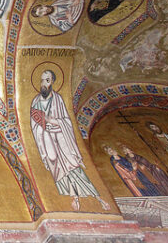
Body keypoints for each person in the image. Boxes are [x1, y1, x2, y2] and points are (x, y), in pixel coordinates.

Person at [30, 70, 109, 211]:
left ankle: (97, 198)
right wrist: (43, 125)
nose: (43, 84)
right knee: (56, 166)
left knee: (72, 165)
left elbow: (66, 120)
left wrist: (52, 121)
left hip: (62, 137)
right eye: (42, 80)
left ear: (52, 82)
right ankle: (73, 196)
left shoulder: (58, 99)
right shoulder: (36, 101)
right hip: (46, 138)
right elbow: (34, 124)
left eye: (47, 80)